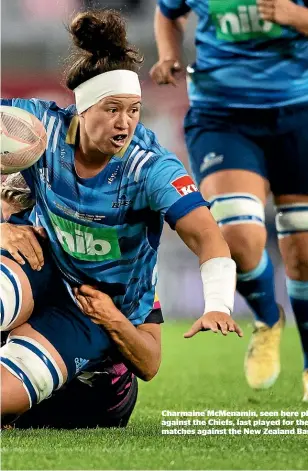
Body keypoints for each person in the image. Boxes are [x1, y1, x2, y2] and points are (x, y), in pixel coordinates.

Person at [0, 8, 243, 423]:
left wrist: (219, 302)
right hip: (41, 263)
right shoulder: (40, 127)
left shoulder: (150, 169)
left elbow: (206, 235)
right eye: (112, 109)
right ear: (83, 108)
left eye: (134, 110)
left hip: (90, 309)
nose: (125, 122)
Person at [150, 0, 308, 400]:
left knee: (303, 254)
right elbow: (168, 11)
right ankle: (268, 319)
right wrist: (168, 55)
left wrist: (293, 14)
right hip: (222, 115)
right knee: (238, 238)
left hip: (304, 113)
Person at [1, 176, 158, 429]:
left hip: (92, 401)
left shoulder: (121, 264)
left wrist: (112, 318)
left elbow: (150, 363)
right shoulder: (12, 233)